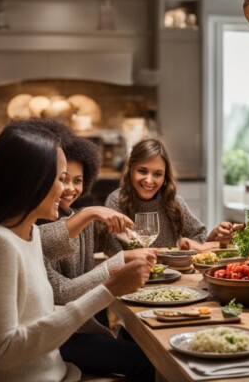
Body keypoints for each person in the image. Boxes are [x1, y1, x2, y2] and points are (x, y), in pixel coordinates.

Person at [0, 122, 152, 381]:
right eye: (60, 178)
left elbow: (40, 315)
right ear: (31, 180)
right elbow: (5, 352)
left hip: (60, 372)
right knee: (154, 362)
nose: (65, 189)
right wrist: (108, 289)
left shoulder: (27, 232)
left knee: (142, 349)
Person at [39, 135, 156, 381]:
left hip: (83, 327)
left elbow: (106, 254)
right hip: (63, 338)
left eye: (78, 180)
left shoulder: (76, 218)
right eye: (63, 179)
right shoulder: (37, 229)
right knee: (150, 359)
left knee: (140, 337)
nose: (70, 188)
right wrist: (120, 260)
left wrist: (127, 242)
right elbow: (62, 293)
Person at [104, 138, 237, 252]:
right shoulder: (116, 202)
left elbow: (199, 237)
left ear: (165, 177)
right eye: (142, 171)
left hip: (172, 276)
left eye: (157, 174)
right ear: (130, 170)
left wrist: (214, 235)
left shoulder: (173, 202)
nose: (149, 180)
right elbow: (113, 252)